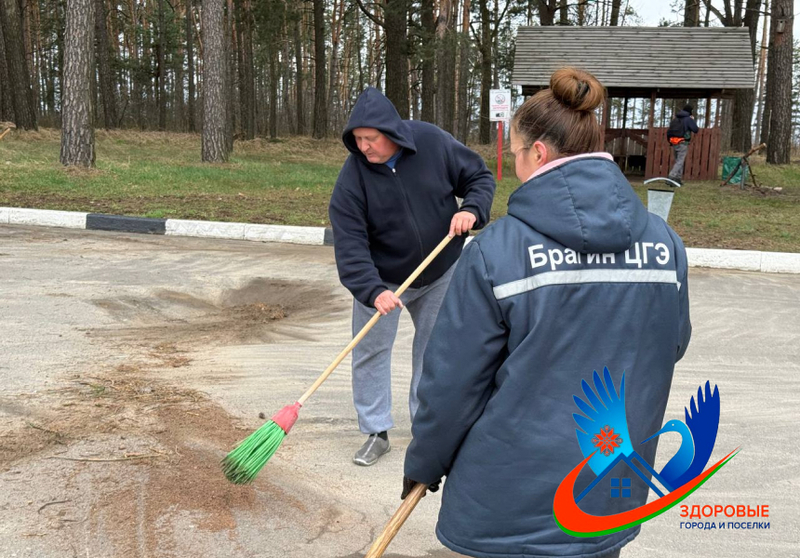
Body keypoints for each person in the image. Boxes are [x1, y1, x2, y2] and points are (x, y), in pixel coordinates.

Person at [403, 68, 692, 558]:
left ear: (537, 153)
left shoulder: (496, 252)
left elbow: (452, 384)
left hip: (508, 504)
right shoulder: (666, 245)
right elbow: (672, 344)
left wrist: (424, 463)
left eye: (515, 152)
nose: (515, 163)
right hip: (610, 489)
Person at [328, 87, 496, 467]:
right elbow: (350, 243)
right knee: (370, 351)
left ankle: (427, 428)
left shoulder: (432, 143)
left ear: (391, 132)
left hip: (441, 269)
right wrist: (372, 290)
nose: (364, 147)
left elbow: (479, 177)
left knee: (435, 350)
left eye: (371, 139)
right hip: (383, 279)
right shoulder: (353, 178)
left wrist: (471, 209)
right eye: (358, 140)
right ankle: (376, 431)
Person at [666, 104, 699, 185]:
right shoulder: (688, 119)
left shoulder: (675, 119)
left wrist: (670, 142)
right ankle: (671, 176)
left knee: (678, 161)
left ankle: (677, 179)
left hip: (674, 142)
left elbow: (669, 131)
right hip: (683, 142)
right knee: (680, 161)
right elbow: (695, 129)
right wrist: (692, 120)